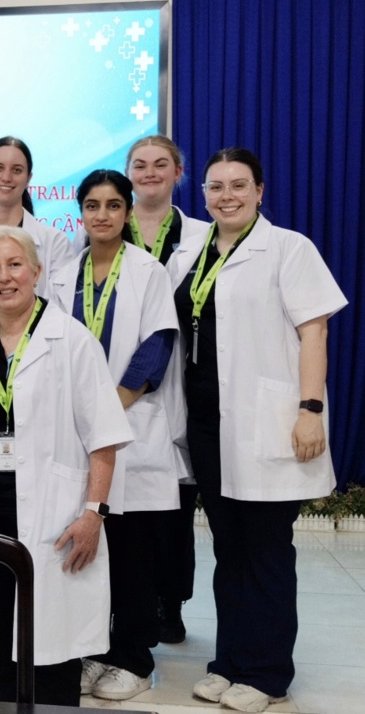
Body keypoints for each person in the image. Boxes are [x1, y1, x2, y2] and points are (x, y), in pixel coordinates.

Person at [167, 148, 346, 713]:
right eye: (216, 186)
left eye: (239, 185)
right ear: (202, 194)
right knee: (228, 548)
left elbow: (315, 332)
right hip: (208, 424)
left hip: (267, 421)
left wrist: (310, 408)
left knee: (266, 550)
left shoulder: (289, 248)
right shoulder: (191, 254)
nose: (227, 196)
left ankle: (267, 673)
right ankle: (229, 662)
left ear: (260, 191)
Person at [0, 225, 132, 706]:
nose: (4, 277)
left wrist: (94, 514)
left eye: (14, 265)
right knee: (0, 645)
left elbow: (104, 438)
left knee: (51, 653)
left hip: (56, 516)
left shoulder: (72, 340)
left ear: (37, 271)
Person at [49, 170, 181, 701]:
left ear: (127, 212)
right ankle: (94, 651)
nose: (101, 214)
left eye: (112, 205)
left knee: (132, 557)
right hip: (77, 432)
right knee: (89, 556)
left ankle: (134, 659)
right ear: (80, 213)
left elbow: (157, 347)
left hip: (131, 425)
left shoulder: (149, 272)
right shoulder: (62, 275)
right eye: (92, 205)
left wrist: (106, 409)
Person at [124, 135, 210, 645]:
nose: (150, 173)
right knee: (125, 510)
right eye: (140, 165)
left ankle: (170, 603)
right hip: (122, 384)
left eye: (161, 164)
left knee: (175, 507)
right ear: (129, 173)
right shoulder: (105, 231)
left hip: (182, 384)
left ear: (179, 173)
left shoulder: (202, 237)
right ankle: (127, 604)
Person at [0, 136, 75, 327]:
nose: (6, 177)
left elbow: (63, 313)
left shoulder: (55, 242)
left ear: (29, 178)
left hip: (39, 344)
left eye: (17, 170)